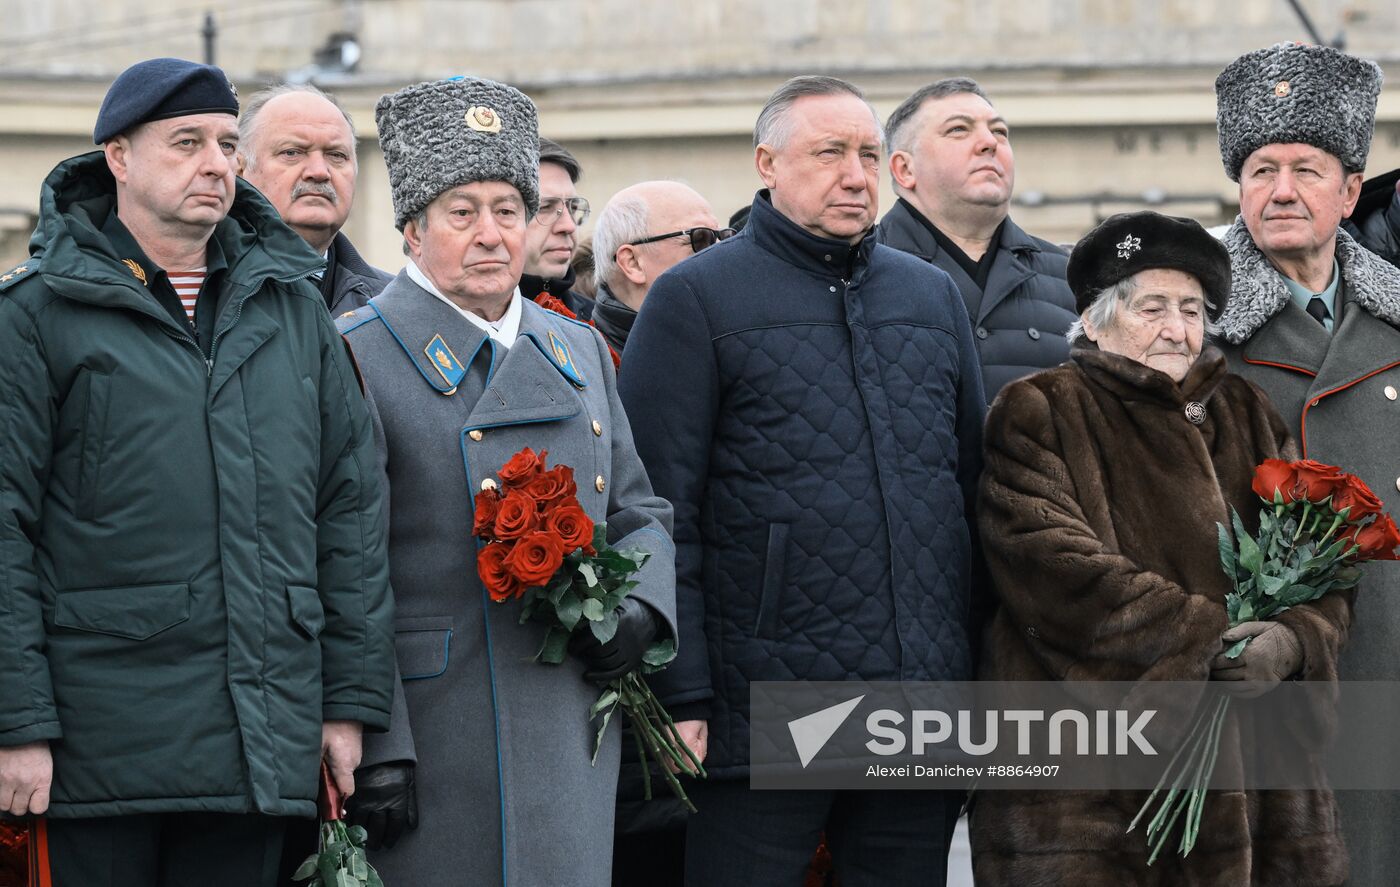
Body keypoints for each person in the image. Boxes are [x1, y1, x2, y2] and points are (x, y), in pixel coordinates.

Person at [0, 57, 394, 886]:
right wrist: (16, 721)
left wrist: (348, 703)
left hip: (260, 744)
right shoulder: (34, 314)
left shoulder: (293, 309)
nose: (216, 163)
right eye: (186, 143)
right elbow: (4, 524)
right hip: (94, 755)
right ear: (118, 156)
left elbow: (349, 509)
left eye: (224, 143)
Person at [619, 74, 984, 886]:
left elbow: (971, 491)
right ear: (768, 163)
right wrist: (682, 692)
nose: (856, 175)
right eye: (829, 154)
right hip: (764, 708)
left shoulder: (930, 296)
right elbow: (656, 511)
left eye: (868, 156)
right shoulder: (694, 298)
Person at [335, 76, 676, 887]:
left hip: (569, 717)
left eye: (508, 210)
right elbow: (344, 563)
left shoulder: (577, 347)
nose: (490, 234)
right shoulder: (354, 350)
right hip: (436, 729)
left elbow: (638, 508)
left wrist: (641, 609)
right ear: (412, 230)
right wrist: (379, 741)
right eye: (462, 212)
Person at [970, 211, 1349, 885]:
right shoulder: (1039, 410)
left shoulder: (1248, 410)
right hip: (1096, 790)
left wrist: (1291, 641)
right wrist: (1210, 640)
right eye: (1152, 308)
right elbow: (1051, 567)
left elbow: (1319, 554)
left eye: (1192, 310)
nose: (1177, 329)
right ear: (1093, 320)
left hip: (1264, 789)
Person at [1211, 43, 1400, 882]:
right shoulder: (1190, 326)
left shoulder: (1393, 320)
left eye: (1306, 170)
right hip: (1263, 679)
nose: (1280, 191)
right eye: (1261, 170)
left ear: (1351, 192)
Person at [879, 77, 1076, 404]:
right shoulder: (855, 271)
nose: (989, 142)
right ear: (905, 169)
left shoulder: (1071, 277)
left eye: (1000, 131)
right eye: (958, 129)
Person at [237, 83, 392, 315]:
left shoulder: (393, 311)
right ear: (240, 171)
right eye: (292, 153)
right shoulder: (196, 293)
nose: (319, 172)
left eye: (336, 155)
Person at [590, 180, 728, 354]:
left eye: (725, 238)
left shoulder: (733, 340)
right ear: (632, 263)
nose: (721, 253)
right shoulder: (587, 365)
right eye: (700, 239)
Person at [520, 137, 595, 319]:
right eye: (545, 207)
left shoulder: (596, 322)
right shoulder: (474, 321)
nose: (568, 226)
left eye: (573, 207)